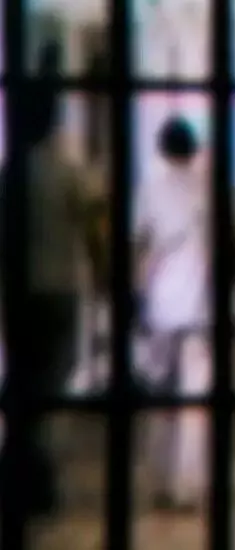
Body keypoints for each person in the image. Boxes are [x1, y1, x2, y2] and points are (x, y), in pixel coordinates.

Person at [0, 47, 104, 515]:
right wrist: (106, 275)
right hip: (60, 289)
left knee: (23, 375)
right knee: (56, 378)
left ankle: (21, 461)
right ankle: (37, 466)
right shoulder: (67, 171)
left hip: (18, 293)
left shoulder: (9, 173)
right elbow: (93, 227)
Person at [132, 115, 211, 512]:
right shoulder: (205, 189)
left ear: (161, 148)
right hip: (197, 304)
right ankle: (187, 485)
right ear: (193, 149)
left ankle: (159, 479)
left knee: (159, 396)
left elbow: (140, 243)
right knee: (193, 397)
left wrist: (136, 293)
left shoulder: (149, 187)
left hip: (160, 302)